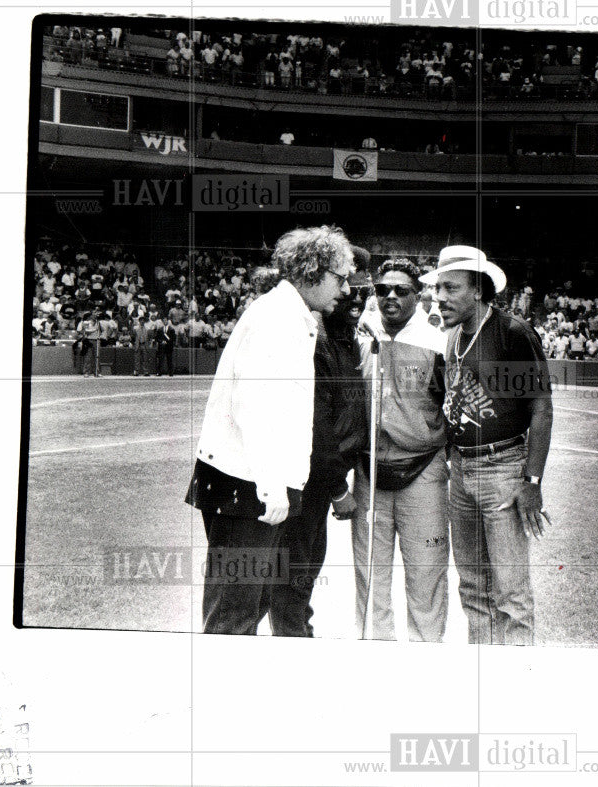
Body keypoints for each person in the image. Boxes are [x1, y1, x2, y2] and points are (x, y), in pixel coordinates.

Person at [184, 226, 355, 636]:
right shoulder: (276, 318)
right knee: (235, 609)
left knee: (253, 601)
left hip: (255, 483)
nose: (346, 289)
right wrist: (271, 486)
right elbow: (254, 405)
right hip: (247, 484)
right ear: (311, 271)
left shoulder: (293, 315)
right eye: (340, 277)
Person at [420, 245, 554, 646]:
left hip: (504, 470)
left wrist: (531, 480)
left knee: (510, 592)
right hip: (461, 471)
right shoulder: (453, 336)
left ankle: (516, 679)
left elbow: (541, 409)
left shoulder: (512, 333)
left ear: (477, 290)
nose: (438, 297)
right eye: (436, 288)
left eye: (449, 288)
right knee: (474, 588)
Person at [262, 246, 370, 637]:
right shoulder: (316, 336)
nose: (354, 296)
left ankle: (294, 636)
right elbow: (315, 423)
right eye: (346, 287)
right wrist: (340, 487)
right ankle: (294, 646)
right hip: (308, 480)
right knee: (292, 575)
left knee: (300, 572)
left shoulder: (343, 334)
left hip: (320, 480)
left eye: (363, 289)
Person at [351, 258, 450, 642]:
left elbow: (453, 405)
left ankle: (425, 661)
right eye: (382, 290)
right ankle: (374, 657)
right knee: (369, 573)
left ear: (418, 295)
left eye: (401, 290)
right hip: (369, 470)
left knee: (426, 571)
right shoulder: (362, 336)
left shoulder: (437, 341)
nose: (390, 296)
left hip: (422, 469)